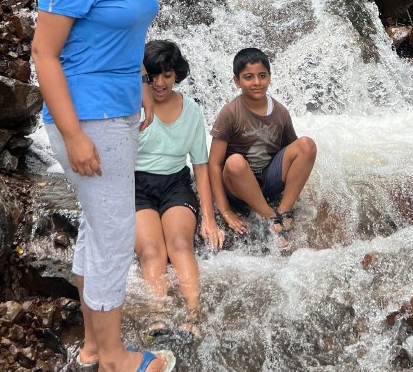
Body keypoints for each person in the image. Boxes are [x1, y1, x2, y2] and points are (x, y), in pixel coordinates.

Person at [31, 0, 176, 372]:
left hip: (116, 109)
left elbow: (124, 30)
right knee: (116, 234)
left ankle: (94, 345)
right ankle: (115, 365)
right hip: (87, 117)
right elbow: (44, 55)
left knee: (98, 227)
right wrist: (72, 135)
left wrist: (139, 81)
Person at [135, 39, 221, 337]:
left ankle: (194, 314)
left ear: (177, 75)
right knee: (151, 251)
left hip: (176, 184)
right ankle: (156, 315)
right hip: (136, 187)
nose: (160, 83)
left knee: (180, 245)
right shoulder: (132, 106)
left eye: (168, 76)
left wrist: (208, 217)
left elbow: (200, 165)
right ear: (144, 75)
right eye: (154, 76)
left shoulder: (192, 111)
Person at [208, 47, 317, 241]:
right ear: (237, 81)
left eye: (262, 76)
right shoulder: (230, 113)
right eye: (248, 77)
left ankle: (284, 209)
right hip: (238, 186)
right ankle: (269, 215)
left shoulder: (280, 112)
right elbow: (214, 164)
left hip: (268, 181)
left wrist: (295, 193)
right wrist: (225, 210)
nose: (256, 82)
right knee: (234, 161)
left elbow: (294, 152)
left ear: (269, 77)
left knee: (307, 145)